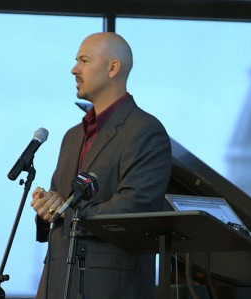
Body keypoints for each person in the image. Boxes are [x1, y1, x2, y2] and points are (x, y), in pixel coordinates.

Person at [30, 32, 172, 299]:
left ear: (113, 68)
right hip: (57, 283)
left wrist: (64, 210)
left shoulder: (145, 130)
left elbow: (135, 208)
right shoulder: (73, 135)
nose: (74, 69)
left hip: (109, 286)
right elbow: (60, 204)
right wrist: (46, 207)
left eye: (84, 60)